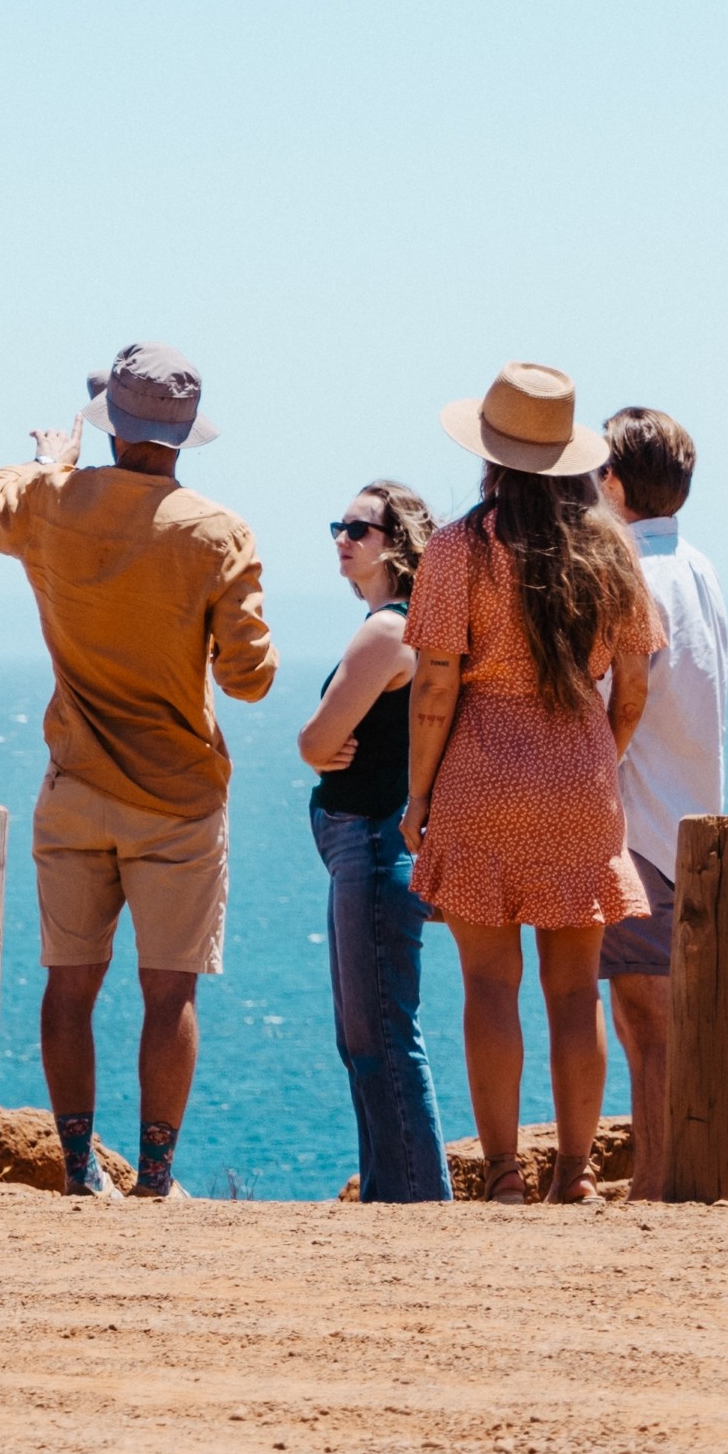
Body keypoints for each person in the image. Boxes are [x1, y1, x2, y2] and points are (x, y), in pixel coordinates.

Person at [0, 342, 277, 1200]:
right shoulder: (218, 533)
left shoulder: (52, 504)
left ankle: (76, 1172)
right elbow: (250, 679)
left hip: (73, 785)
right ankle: (157, 1178)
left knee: (70, 986)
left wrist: (44, 462)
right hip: (178, 798)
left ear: (107, 424)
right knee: (168, 991)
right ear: (185, 435)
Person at [399, 364, 658, 1206]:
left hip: (480, 771)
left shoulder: (458, 547)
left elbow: (435, 686)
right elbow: (636, 682)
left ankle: (505, 1173)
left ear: (491, 455)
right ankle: (576, 1176)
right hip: (579, 771)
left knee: (487, 985)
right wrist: (598, 753)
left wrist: (420, 796)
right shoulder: (611, 546)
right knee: (575, 988)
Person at [294, 479, 443, 1202]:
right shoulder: (412, 624)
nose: (343, 539)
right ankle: (396, 1193)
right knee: (370, 1037)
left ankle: (414, 1200)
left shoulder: (388, 630)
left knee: (377, 1036)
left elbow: (315, 738)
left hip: (374, 843)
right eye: (339, 526)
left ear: (399, 543)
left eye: (361, 529)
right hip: (370, 843)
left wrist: (317, 747)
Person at [596, 406, 727, 1169]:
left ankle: (655, 1180)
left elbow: (618, 693)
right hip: (696, 814)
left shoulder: (628, 575)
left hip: (640, 820)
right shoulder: (700, 567)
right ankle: (673, 1170)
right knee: (670, 1015)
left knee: (645, 1020)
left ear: (612, 481)